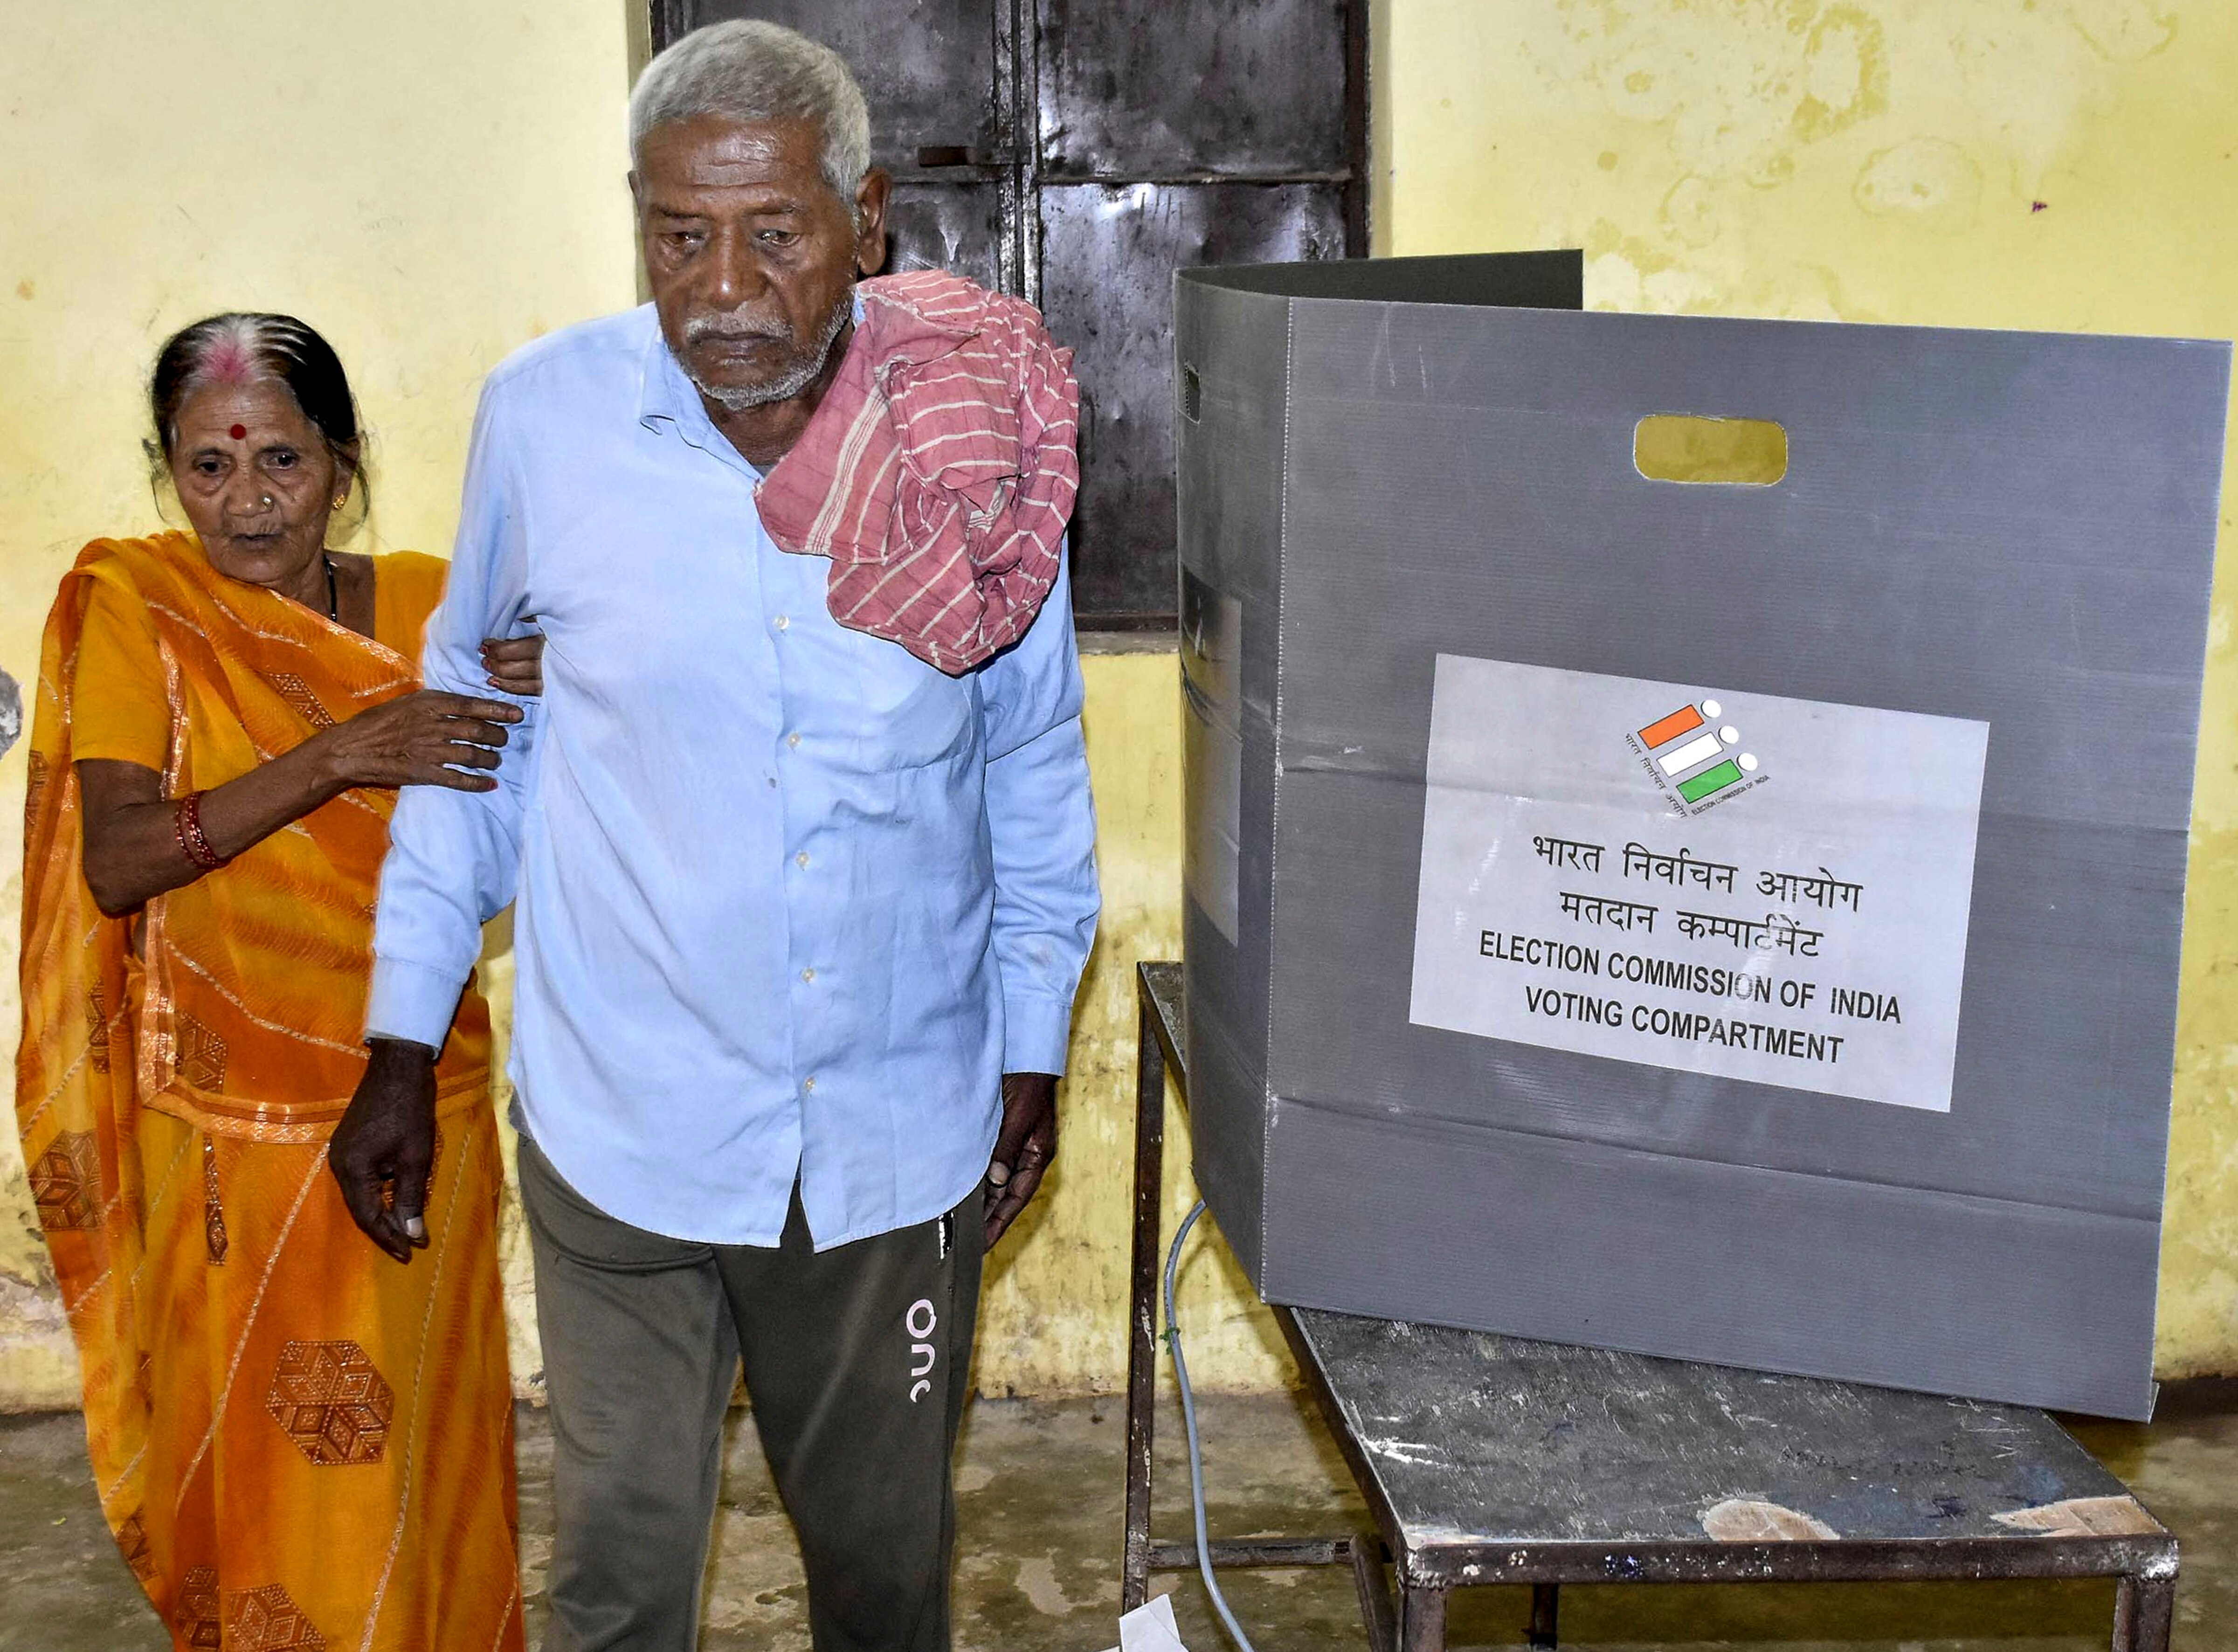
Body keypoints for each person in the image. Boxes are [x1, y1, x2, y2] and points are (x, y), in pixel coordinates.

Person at [334, 19, 1099, 1652]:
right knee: (615, 1584)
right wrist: (402, 1035)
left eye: (774, 233)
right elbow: (472, 733)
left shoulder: (974, 441)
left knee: (884, 1584)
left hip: (891, 1130)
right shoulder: (547, 423)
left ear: (866, 224)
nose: (724, 290)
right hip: (626, 1119)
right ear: (638, 220)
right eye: (681, 236)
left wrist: (1032, 1038)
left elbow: (1029, 763)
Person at [15, 312, 540, 1651]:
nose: (246, 500)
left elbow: (551, 799)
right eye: (208, 467)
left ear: (344, 469)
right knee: (271, 1503)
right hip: (233, 1131)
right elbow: (123, 860)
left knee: (422, 1473)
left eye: (282, 462)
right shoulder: (142, 608)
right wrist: (339, 754)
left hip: (417, 1093)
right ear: (168, 475)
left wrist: (560, 679)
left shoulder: (438, 608)